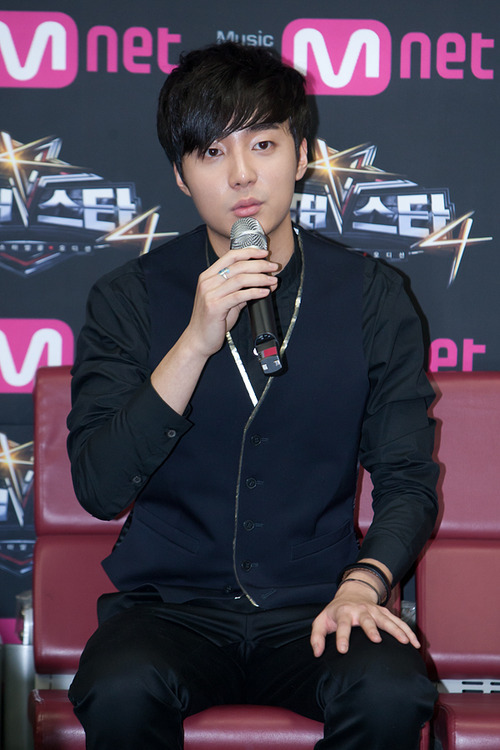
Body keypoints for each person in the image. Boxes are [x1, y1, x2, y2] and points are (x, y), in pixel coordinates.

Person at [67, 42, 439, 750]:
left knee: (390, 688)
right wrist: (194, 342)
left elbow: (406, 477)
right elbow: (99, 486)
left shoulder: (372, 296)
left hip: (319, 603)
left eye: (263, 144)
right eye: (212, 152)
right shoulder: (129, 298)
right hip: (170, 610)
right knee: (119, 685)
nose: (241, 174)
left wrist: (364, 583)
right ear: (181, 175)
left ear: (302, 156)